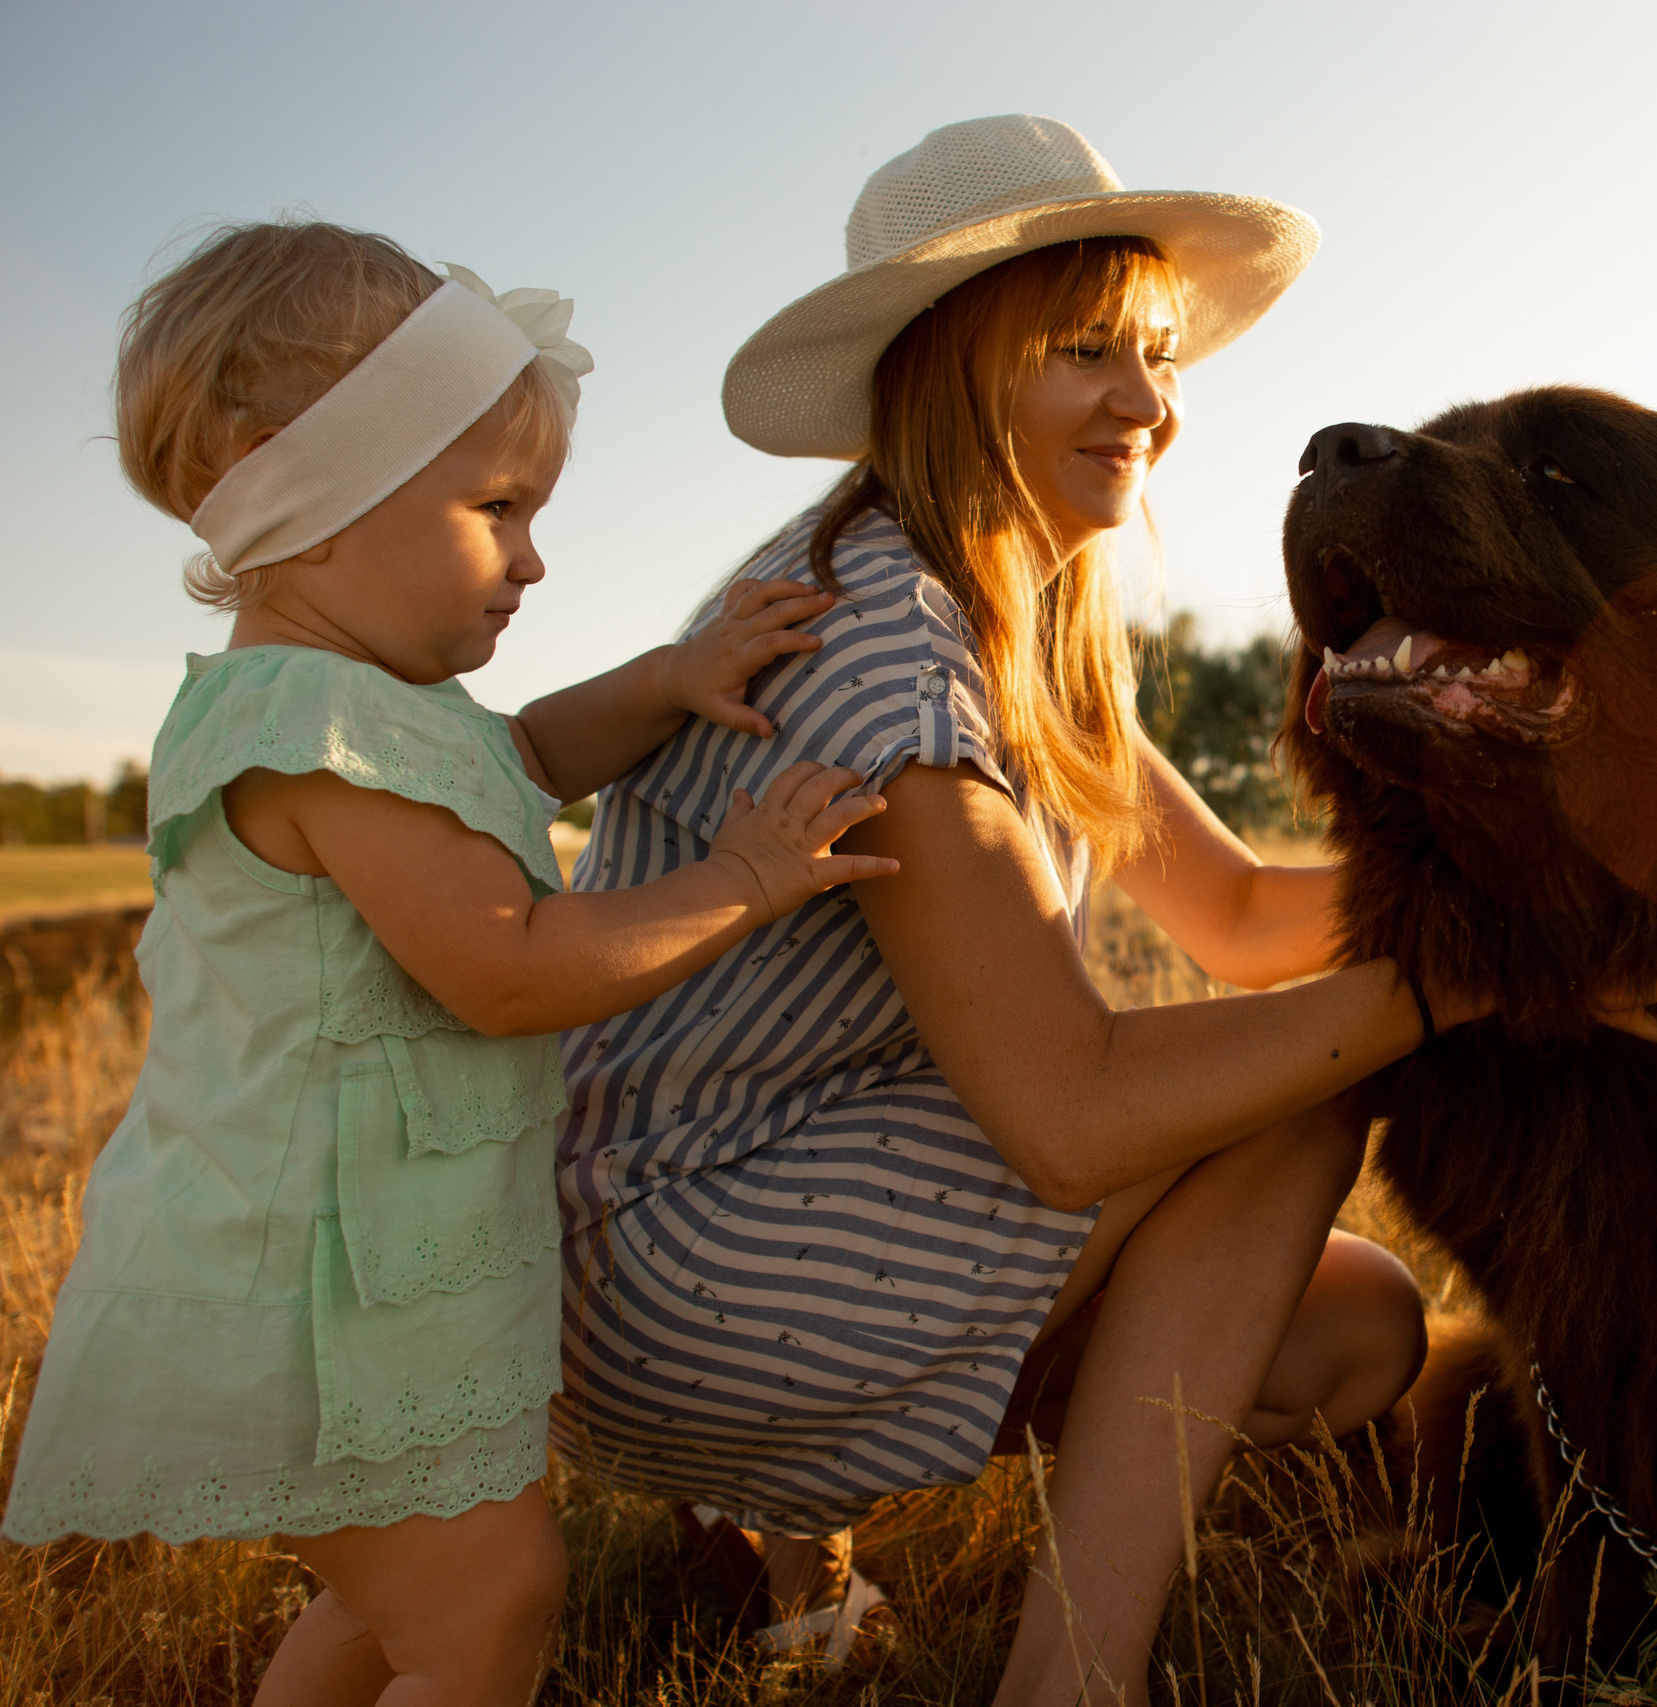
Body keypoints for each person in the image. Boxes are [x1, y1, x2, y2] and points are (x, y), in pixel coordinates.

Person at [549, 116, 1477, 1702]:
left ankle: (781, 1541)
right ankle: (1063, 1683)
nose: (1148, 404)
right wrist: (1483, 971)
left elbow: (1241, 913)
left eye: (1157, 354)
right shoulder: (883, 652)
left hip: (755, 1191)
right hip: (663, 1258)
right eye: (1083, 351)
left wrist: (1540, 887)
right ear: (947, 367)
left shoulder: (1014, 622)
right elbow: (1065, 1120)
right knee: (1298, 1086)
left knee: (1355, 1330)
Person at [0, 220, 894, 1707]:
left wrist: (668, 680)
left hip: (371, 1280)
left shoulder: (379, 712)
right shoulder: (315, 727)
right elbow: (511, 967)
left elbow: (521, 756)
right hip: (307, 1296)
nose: (534, 559)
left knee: (395, 1608)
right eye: (496, 507)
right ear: (306, 499)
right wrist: (742, 882)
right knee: (489, 1598)